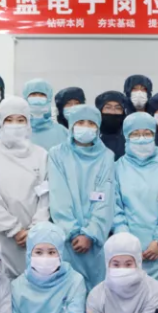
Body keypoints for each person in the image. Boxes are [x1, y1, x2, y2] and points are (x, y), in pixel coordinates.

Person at [0, 96, 50, 277]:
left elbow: (46, 197)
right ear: (1, 122)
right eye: (9, 120)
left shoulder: (41, 155)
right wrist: (14, 229)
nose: (15, 125)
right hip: (2, 236)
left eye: (20, 120)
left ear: (28, 123)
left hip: (36, 237)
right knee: (2, 283)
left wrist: (35, 229)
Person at [48, 104, 115, 291]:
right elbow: (59, 196)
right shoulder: (57, 154)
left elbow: (106, 199)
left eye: (91, 123)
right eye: (80, 122)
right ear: (71, 125)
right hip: (68, 239)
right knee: (69, 290)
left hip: (95, 241)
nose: (85, 127)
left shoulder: (107, 156)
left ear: (98, 128)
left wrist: (91, 233)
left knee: (97, 291)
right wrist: (73, 232)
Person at [113, 112, 158, 292]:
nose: (142, 138)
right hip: (126, 251)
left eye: (147, 133)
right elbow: (114, 208)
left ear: (154, 135)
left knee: (157, 298)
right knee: (127, 297)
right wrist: (127, 243)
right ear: (126, 137)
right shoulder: (117, 168)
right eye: (135, 134)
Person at [23, 78, 68, 151]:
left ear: (48, 99)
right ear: (25, 98)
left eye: (42, 95)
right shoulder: (19, 130)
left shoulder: (62, 132)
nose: (37, 98)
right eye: (33, 94)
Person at [95, 90, 127, 160]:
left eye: (118, 108)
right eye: (108, 107)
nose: (112, 112)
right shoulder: (91, 135)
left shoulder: (129, 138)